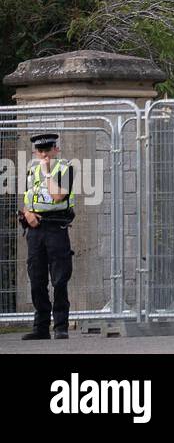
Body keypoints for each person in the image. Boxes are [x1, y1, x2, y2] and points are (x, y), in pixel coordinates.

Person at [17, 133, 76, 340]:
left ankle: (61, 326)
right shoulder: (31, 171)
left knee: (59, 278)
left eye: (48, 150)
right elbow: (27, 199)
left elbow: (57, 196)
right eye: (40, 151)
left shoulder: (65, 168)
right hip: (35, 230)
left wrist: (47, 173)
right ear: (35, 152)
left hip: (56, 228)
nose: (44, 155)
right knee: (36, 279)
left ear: (56, 150)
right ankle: (41, 327)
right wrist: (27, 214)